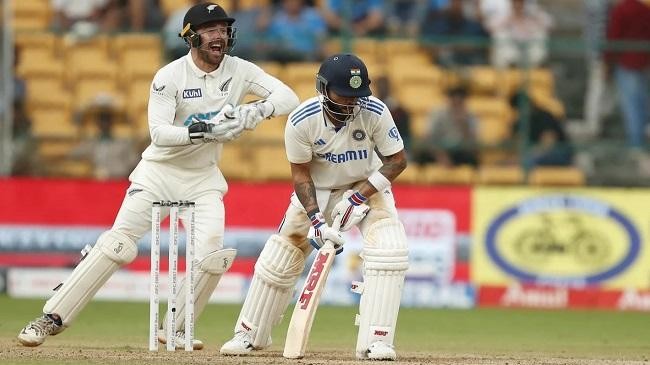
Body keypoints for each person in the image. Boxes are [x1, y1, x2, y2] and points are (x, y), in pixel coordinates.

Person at [17, 2, 299, 349]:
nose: (219, 36)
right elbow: (160, 133)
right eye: (210, 30)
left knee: (213, 256)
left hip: (203, 177)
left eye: (223, 30)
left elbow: (288, 96)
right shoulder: (169, 77)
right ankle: (51, 318)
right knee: (117, 245)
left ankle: (175, 328)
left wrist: (254, 111)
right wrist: (206, 130)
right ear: (191, 37)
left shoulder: (239, 70)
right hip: (158, 172)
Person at [220, 53, 409, 360]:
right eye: (343, 96)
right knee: (282, 256)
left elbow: (397, 161)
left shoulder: (374, 111)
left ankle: (377, 340)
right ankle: (249, 334)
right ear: (323, 88)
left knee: (390, 248)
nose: (350, 103)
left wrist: (359, 197)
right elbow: (301, 174)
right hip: (317, 189)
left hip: (366, 184)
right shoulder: (301, 120)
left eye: (356, 97)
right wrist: (317, 221)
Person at [414, 86, 479, 167]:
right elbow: (427, 137)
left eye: (460, 101)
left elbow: (473, 143)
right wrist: (440, 156)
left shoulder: (470, 116)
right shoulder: (437, 114)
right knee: (421, 155)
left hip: (459, 153)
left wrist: (464, 124)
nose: (457, 104)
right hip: (438, 150)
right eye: (454, 101)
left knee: (473, 160)